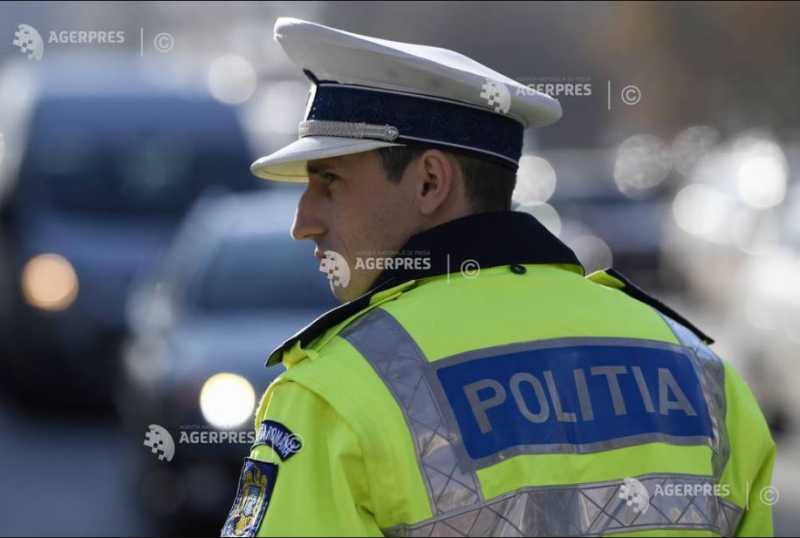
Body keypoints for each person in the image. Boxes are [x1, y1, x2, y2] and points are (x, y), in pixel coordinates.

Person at [222, 17, 775, 537]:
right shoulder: (702, 375)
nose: (302, 222)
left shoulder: (333, 396)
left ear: (430, 182)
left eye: (329, 182)